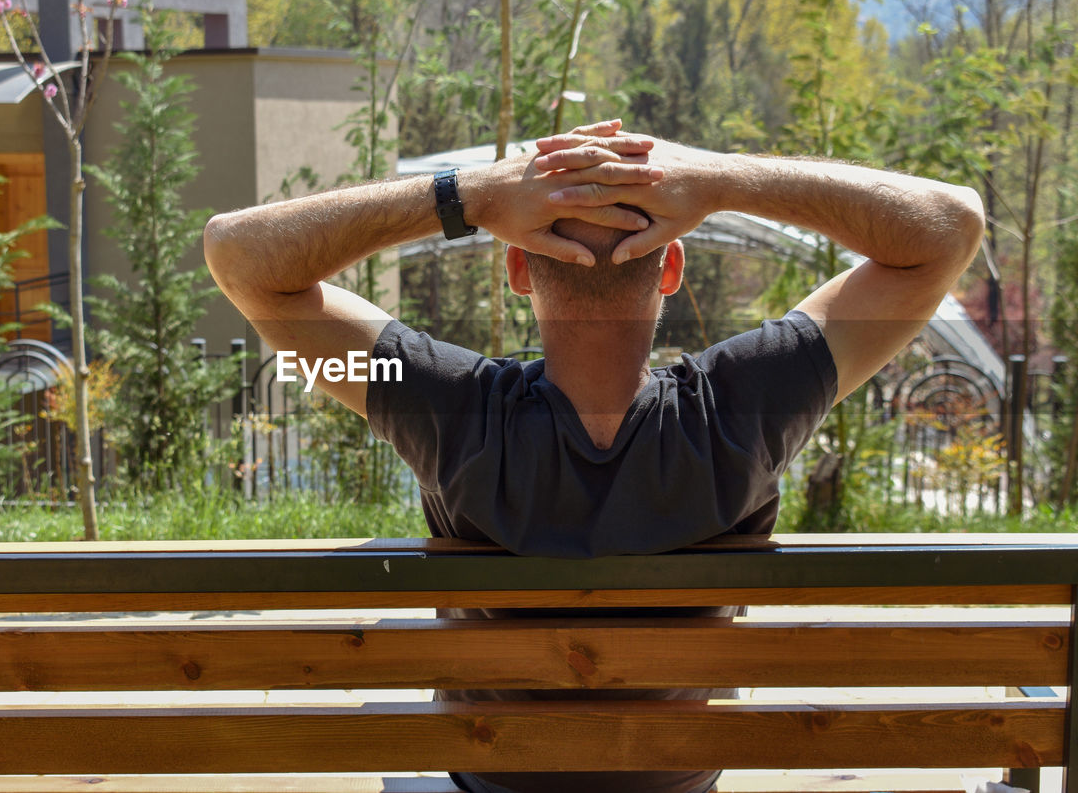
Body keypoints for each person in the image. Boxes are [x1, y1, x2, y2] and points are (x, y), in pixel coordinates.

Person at [203, 120, 985, 793]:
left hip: (491, 778)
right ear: (671, 269)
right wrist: (722, 179)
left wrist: (466, 196)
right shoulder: (749, 406)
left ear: (517, 269)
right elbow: (948, 228)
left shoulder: (439, 407)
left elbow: (240, 256)